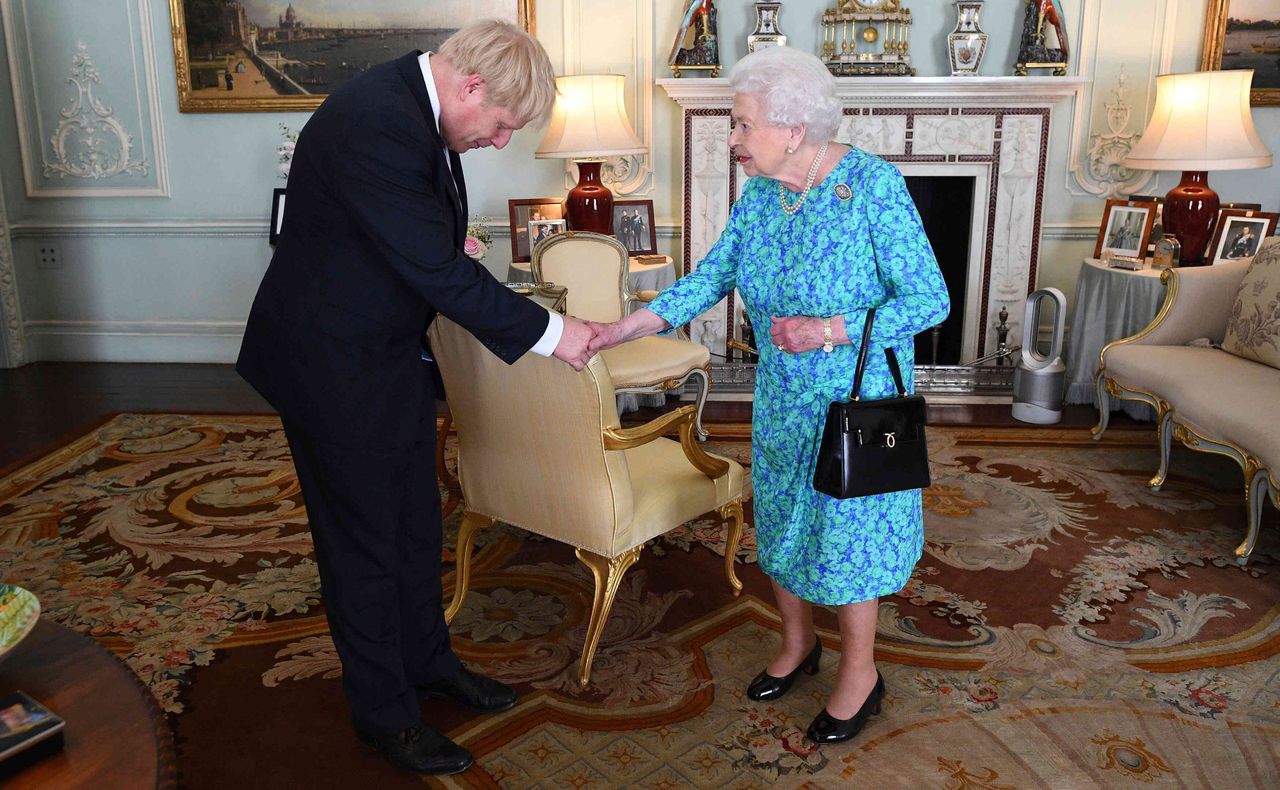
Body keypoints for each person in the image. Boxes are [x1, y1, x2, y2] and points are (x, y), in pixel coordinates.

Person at [236, 20, 595, 777]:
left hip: (385, 353)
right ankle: (386, 716)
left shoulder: (415, 106)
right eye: (500, 125)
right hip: (329, 364)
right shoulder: (375, 120)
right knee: (362, 543)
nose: (500, 143)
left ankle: (431, 665)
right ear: (470, 87)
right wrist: (555, 334)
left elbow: (420, 247)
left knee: (413, 521)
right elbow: (435, 267)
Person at [588, 46, 949, 746]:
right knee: (782, 520)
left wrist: (828, 330)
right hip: (782, 397)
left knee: (848, 539)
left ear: (792, 127)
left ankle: (860, 673)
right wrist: (628, 324)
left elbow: (930, 299)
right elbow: (713, 275)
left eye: (742, 123)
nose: (733, 138)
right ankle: (796, 644)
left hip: (856, 397)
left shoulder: (873, 187)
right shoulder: (763, 194)